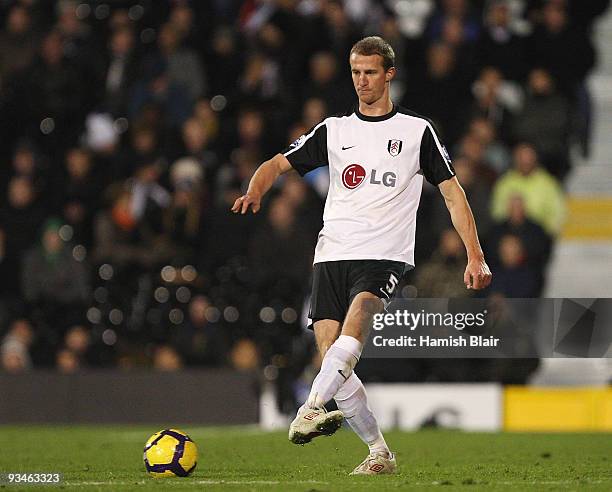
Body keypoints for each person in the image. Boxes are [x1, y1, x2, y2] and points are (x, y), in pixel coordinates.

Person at [232, 36, 491, 475]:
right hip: (332, 253)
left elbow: (452, 194)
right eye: (355, 72)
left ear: (389, 73)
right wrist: (255, 189)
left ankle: (310, 406)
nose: (362, 81)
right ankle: (379, 453)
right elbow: (276, 163)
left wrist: (475, 255)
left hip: (384, 254)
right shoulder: (335, 130)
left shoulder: (415, 132)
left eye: (370, 72)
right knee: (334, 354)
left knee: (356, 328)